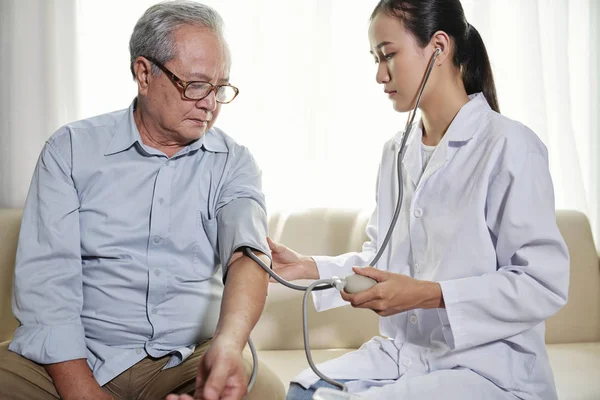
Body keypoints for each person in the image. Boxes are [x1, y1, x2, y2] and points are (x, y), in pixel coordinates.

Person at [269, 0, 569, 399]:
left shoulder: (510, 146)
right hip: (405, 355)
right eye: (376, 59)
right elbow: (384, 261)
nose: (379, 74)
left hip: (488, 367)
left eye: (388, 55)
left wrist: (429, 294)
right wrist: (307, 268)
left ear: (439, 47)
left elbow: (541, 284)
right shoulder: (397, 151)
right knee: (302, 392)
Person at [0, 2, 285, 400]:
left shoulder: (234, 161)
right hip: (75, 359)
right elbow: (47, 286)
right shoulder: (70, 149)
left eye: (220, 87)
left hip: (187, 357)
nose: (211, 104)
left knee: (264, 392)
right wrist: (84, 393)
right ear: (144, 73)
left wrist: (228, 345)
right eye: (197, 85)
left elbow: (247, 257)